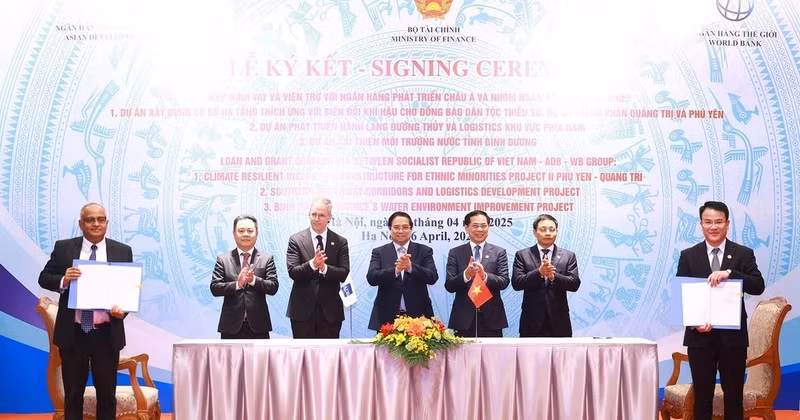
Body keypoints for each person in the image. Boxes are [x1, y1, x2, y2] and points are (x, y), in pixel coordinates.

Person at [38, 203, 132, 420]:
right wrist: (64, 279)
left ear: (107, 222)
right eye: (90, 220)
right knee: (73, 395)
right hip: (74, 332)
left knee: (107, 396)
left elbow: (126, 288)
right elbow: (44, 278)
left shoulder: (122, 250)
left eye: (101, 219)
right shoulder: (64, 248)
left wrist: (122, 311)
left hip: (106, 333)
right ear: (81, 224)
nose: (96, 224)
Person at [677, 201, 764, 420]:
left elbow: (758, 286)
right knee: (702, 397)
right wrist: (695, 322)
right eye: (708, 222)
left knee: (733, 396)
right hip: (700, 338)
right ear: (701, 224)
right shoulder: (689, 255)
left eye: (718, 222)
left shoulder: (743, 254)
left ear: (727, 224)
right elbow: (681, 294)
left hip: (732, 338)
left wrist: (731, 273)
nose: (713, 227)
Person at [286, 198, 351, 338]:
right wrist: (313, 264)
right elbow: (293, 272)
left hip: (330, 311)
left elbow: (344, 273)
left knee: (329, 351)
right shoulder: (296, 240)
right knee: (303, 351)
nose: (316, 219)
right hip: (302, 310)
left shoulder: (340, 242)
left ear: (329, 217)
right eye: (313, 214)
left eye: (321, 215)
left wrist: (324, 268)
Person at [367, 211, 438, 330]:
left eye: (405, 227)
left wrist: (410, 267)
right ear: (389, 229)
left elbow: (432, 277)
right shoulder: (379, 252)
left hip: (419, 317)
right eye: (396, 227)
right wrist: (396, 270)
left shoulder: (424, 251)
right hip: (387, 318)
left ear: (411, 229)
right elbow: (372, 278)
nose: (401, 231)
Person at [511, 213, 581, 337]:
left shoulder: (568, 256)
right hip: (531, 321)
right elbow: (517, 283)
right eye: (543, 229)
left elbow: (574, 284)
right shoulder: (522, 255)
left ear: (556, 232)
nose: (548, 233)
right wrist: (539, 273)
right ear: (534, 232)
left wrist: (554, 276)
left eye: (552, 229)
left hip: (559, 321)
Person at [210, 214, 279, 339]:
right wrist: (237, 284)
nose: (245, 234)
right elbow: (215, 288)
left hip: (259, 326)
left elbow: (273, 287)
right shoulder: (223, 259)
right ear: (233, 234)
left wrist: (253, 280)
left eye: (250, 231)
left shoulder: (267, 259)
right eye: (241, 231)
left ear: (257, 233)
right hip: (230, 326)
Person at [445, 210, 510, 337]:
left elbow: (504, 282)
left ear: (488, 227)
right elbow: (449, 285)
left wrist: (484, 276)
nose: (480, 229)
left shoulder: (499, 252)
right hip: (463, 318)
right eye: (475, 226)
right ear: (466, 228)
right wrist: (466, 275)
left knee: (492, 351)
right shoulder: (455, 253)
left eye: (483, 226)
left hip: (492, 318)